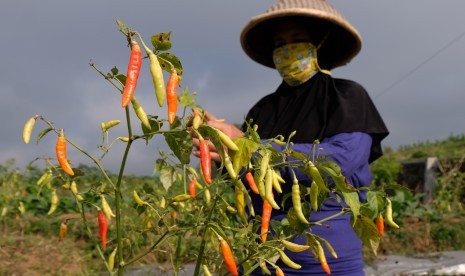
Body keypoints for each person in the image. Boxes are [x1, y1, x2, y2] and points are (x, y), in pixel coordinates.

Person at [192, 0, 389, 275]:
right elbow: (247, 180)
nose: (287, 49)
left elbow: (340, 163)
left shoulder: (347, 97)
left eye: (298, 39)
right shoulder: (264, 110)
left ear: (320, 43)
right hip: (265, 253)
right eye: (280, 43)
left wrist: (250, 148)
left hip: (329, 260)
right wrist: (221, 148)